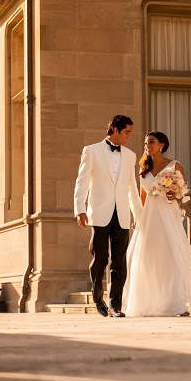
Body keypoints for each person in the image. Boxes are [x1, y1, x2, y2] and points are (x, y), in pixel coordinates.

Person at [123, 131, 191, 317]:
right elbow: (142, 197)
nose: (147, 146)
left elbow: (182, 193)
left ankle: (177, 304)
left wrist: (174, 193)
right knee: (147, 259)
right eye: (145, 143)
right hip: (149, 218)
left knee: (170, 257)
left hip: (167, 215)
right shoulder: (143, 169)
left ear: (162, 145)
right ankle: (147, 303)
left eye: (151, 142)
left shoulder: (175, 166)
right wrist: (138, 218)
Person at [74, 115, 144, 318]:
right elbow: (82, 182)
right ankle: (98, 298)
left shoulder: (130, 156)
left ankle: (116, 306)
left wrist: (137, 215)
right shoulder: (91, 151)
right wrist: (80, 209)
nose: (129, 136)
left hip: (121, 214)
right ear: (115, 129)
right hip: (99, 213)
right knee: (100, 259)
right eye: (127, 132)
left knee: (119, 262)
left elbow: (132, 188)